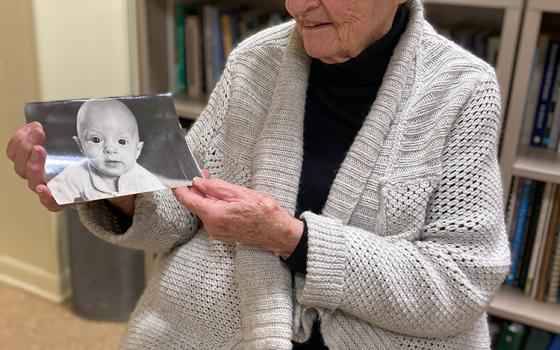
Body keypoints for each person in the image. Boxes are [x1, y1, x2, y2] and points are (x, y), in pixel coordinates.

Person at [6, 0, 510, 349]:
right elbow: (181, 213)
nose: (296, 7)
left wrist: (289, 237)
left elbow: (458, 284)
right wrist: (107, 187)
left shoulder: (463, 89)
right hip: (221, 321)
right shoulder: (256, 60)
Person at [47, 99, 166, 204]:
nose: (110, 149)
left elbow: (164, 204)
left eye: (122, 141)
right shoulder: (74, 175)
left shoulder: (144, 179)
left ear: (138, 150)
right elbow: (52, 195)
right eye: (96, 140)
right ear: (80, 145)